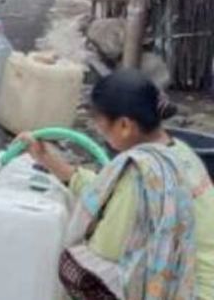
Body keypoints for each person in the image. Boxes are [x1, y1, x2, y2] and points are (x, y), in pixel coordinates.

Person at [18, 70, 214, 299]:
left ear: (124, 125)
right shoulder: (179, 151)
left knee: (76, 269)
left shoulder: (141, 173)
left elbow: (105, 250)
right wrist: (54, 164)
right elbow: (109, 191)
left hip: (192, 292)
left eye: (101, 126)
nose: (100, 133)